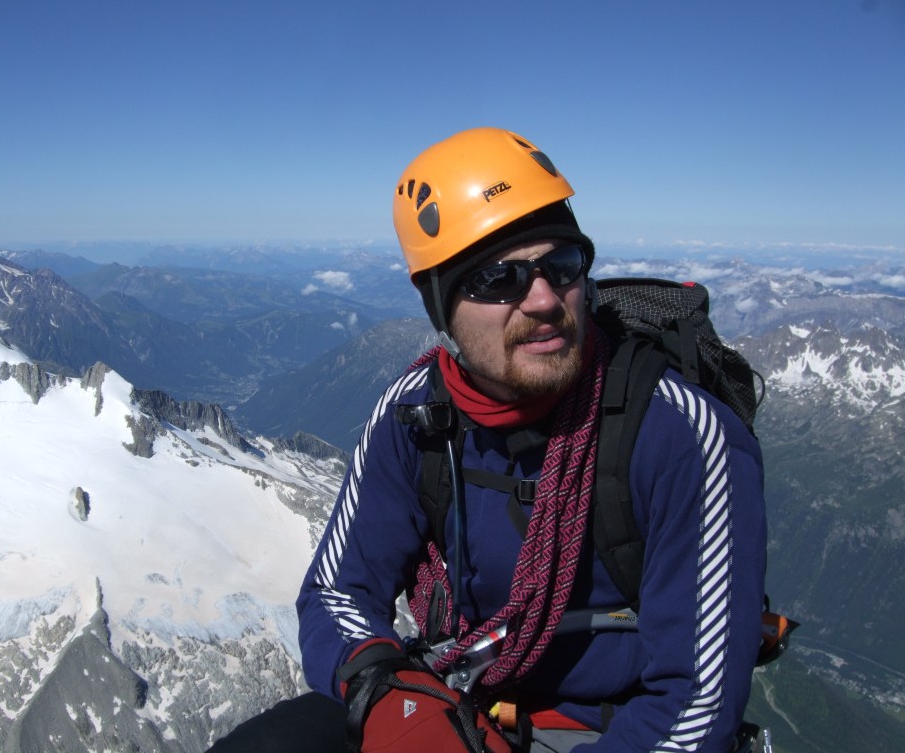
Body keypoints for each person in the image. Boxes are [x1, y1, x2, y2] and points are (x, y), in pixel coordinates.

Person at [208, 127, 766, 752]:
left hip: (604, 730)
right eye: (500, 279)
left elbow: (696, 703)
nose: (545, 299)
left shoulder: (679, 436)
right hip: (454, 700)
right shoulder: (415, 413)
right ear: (440, 306)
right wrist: (388, 701)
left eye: (563, 265)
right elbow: (338, 591)